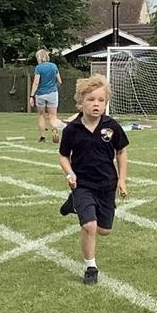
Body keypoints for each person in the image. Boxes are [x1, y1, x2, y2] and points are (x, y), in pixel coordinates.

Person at [58, 74, 129, 285]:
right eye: (91, 99)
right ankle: (91, 267)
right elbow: (63, 156)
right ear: (80, 102)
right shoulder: (72, 129)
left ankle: (73, 204)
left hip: (106, 185)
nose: (96, 104)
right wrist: (70, 174)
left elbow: (121, 151)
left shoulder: (111, 126)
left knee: (104, 230)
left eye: (101, 100)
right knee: (89, 226)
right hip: (83, 185)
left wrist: (122, 179)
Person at [29, 49, 63, 143]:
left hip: (41, 94)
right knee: (53, 116)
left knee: (41, 115)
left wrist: (31, 96)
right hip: (52, 93)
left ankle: (43, 137)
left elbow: (36, 83)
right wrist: (54, 87)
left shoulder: (38, 68)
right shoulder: (54, 66)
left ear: (39, 57)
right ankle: (54, 128)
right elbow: (60, 81)